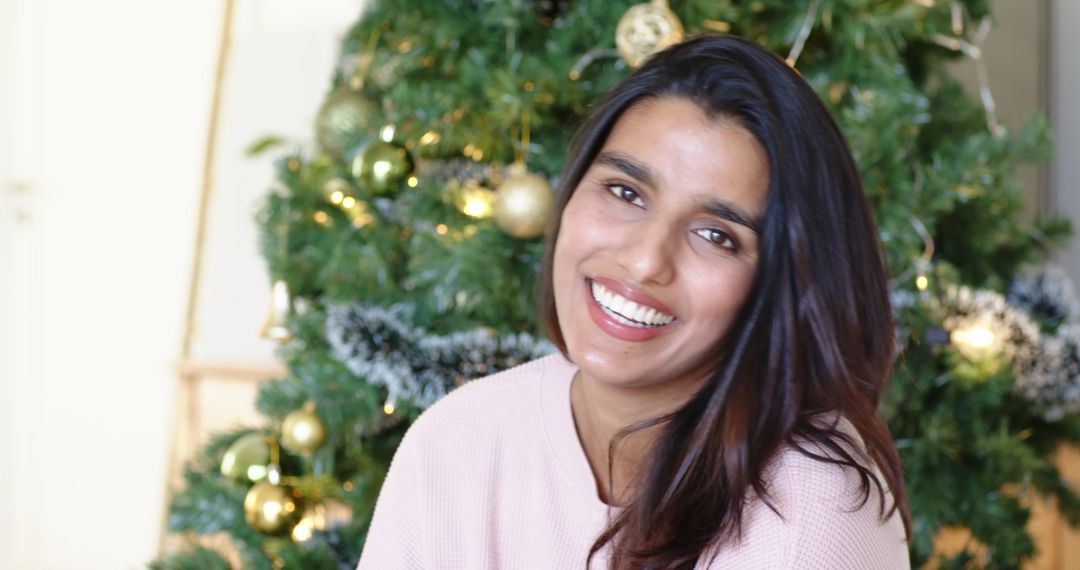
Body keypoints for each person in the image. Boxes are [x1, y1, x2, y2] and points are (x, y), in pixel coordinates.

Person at [358, 34, 911, 569]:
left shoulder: (813, 515)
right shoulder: (456, 439)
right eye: (626, 192)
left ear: (781, 282)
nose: (646, 261)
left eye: (717, 235)